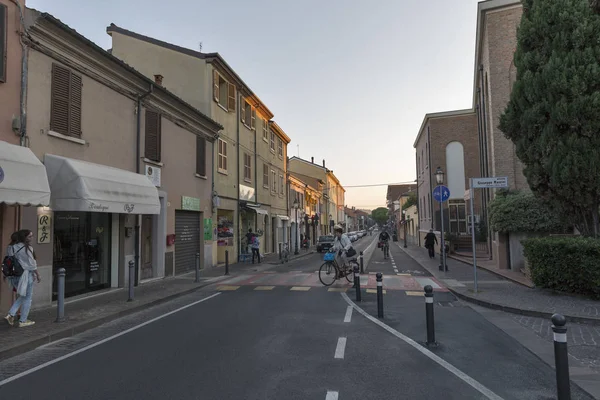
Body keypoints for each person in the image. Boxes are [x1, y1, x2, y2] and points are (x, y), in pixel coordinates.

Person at [4, 229, 41, 327]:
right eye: (29, 236)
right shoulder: (26, 248)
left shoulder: (10, 247)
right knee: (27, 297)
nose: (31, 238)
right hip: (25, 275)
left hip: (13, 275)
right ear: (23, 237)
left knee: (22, 296)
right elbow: (32, 264)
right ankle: (22, 320)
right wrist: (37, 274)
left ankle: (11, 315)